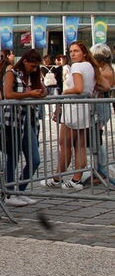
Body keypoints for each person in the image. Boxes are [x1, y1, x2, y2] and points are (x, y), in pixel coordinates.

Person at [45, 41, 101, 190]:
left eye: (76, 51)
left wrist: (64, 93)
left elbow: (78, 88)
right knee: (80, 146)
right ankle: (76, 179)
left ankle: (57, 178)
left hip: (74, 108)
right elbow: (100, 86)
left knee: (65, 145)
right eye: (71, 51)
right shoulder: (90, 66)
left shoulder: (77, 66)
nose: (72, 54)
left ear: (84, 52)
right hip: (84, 108)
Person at [1, 50, 46, 205]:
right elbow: (7, 94)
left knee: (34, 159)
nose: (34, 69)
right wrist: (29, 94)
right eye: (32, 66)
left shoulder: (34, 74)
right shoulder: (11, 73)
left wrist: (40, 89)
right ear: (25, 61)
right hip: (13, 120)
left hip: (29, 121)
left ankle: (20, 190)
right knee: (12, 157)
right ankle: (9, 193)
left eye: (36, 67)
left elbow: (43, 91)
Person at [88, 44, 114, 185]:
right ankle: (99, 169)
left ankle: (101, 170)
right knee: (96, 138)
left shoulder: (105, 71)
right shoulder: (104, 69)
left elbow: (104, 86)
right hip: (99, 106)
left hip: (100, 107)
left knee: (97, 139)